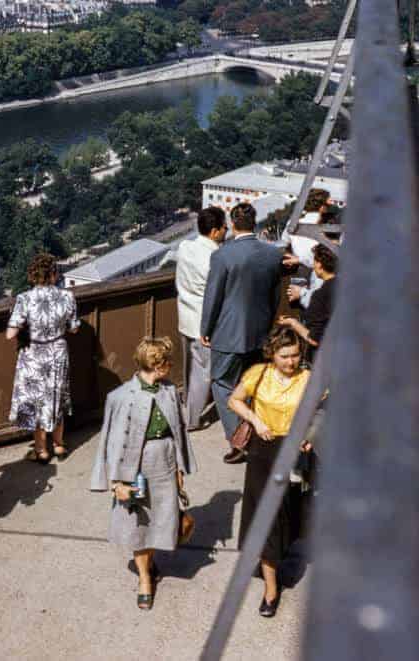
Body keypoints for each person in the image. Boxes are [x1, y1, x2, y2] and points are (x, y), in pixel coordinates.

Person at [90, 337, 196, 610]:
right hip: (136, 467)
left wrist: (179, 470)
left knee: (163, 520)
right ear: (158, 366)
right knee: (138, 526)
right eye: (167, 363)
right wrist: (116, 482)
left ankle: (150, 562)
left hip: (165, 460)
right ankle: (145, 578)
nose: (170, 367)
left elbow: (178, 431)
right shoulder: (121, 397)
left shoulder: (170, 391)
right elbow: (112, 443)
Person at [228, 326, 312, 618]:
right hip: (263, 452)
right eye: (284, 356)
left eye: (295, 355)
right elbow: (234, 400)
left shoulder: (308, 378)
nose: (291, 362)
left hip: (295, 452)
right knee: (267, 519)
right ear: (272, 355)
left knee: (289, 512)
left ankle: (278, 555)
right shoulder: (258, 374)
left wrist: (311, 434)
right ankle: (271, 589)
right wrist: (255, 420)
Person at [201, 202, 284, 463]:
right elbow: (275, 296)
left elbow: (213, 296)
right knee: (253, 385)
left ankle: (239, 440)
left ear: (233, 224)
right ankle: (260, 432)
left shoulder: (223, 255)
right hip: (260, 330)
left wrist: (206, 328)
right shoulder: (272, 254)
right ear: (254, 223)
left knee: (223, 383)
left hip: (228, 332)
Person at [6, 253, 80, 463]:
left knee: (37, 400)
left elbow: (10, 334)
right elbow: (74, 329)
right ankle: (58, 445)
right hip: (58, 351)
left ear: (32, 275)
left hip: (34, 354)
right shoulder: (68, 297)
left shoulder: (24, 299)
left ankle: (41, 450)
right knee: (56, 396)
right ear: (55, 274)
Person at [175, 207, 227, 431]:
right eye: (224, 227)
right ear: (215, 231)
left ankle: (189, 407)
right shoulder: (216, 259)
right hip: (204, 324)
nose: (227, 230)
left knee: (190, 372)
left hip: (186, 317)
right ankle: (193, 420)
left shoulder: (185, 247)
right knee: (202, 375)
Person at [278, 243, 338, 364]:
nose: (313, 265)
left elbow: (314, 339)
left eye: (314, 261)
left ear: (320, 265)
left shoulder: (321, 296)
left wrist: (292, 322)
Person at [281, 188, 330, 308]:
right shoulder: (325, 228)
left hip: (299, 272)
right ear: (322, 207)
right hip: (319, 273)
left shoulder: (292, 223)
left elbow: (284, 241)